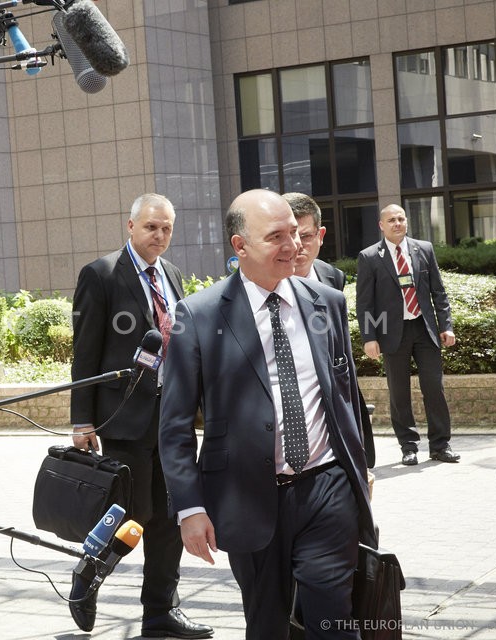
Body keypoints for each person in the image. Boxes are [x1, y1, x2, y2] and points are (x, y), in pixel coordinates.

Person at [159, 189, 376, 640]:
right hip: (247, 496)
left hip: (327, 485)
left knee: (334, 619)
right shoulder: (198, 316)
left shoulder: (327, 302)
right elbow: (175, 425)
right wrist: (190, 508)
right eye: (276, 236)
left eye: (295, 233)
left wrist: (362, 468)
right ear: (240, 246)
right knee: (267, 624)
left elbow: (345, 394)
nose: (292, 246)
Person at [70, 193, 212, 639]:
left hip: (174, 417)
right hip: (125, 416)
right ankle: (89, 571)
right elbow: (85, 352)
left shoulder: (172, 274)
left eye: (167, 228)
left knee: (170, 517)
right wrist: (82, 419)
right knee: (130, 513)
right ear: (130, 226)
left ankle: (160, 612)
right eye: (151, 226)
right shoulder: (101, 274)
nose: (160, 235)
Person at [355, 204, 460, 466]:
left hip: (424, 329)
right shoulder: (369, 256)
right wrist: (369, 337)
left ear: (407, 222)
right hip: (392, 333)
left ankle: (440, 446)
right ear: (381, 225)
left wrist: (446, 325)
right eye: (391, 220)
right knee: (399, 392)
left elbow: (439, 292)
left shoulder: (424, 249)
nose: (397, 223)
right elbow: (365, 303)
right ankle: (408, 446)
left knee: (434, 388)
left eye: (401, 219)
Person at [283, 192, 375, 470]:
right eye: (290, 235)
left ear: (321, 235)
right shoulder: (263, 283)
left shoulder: (332, 277)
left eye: (306, 236)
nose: (298, 245)